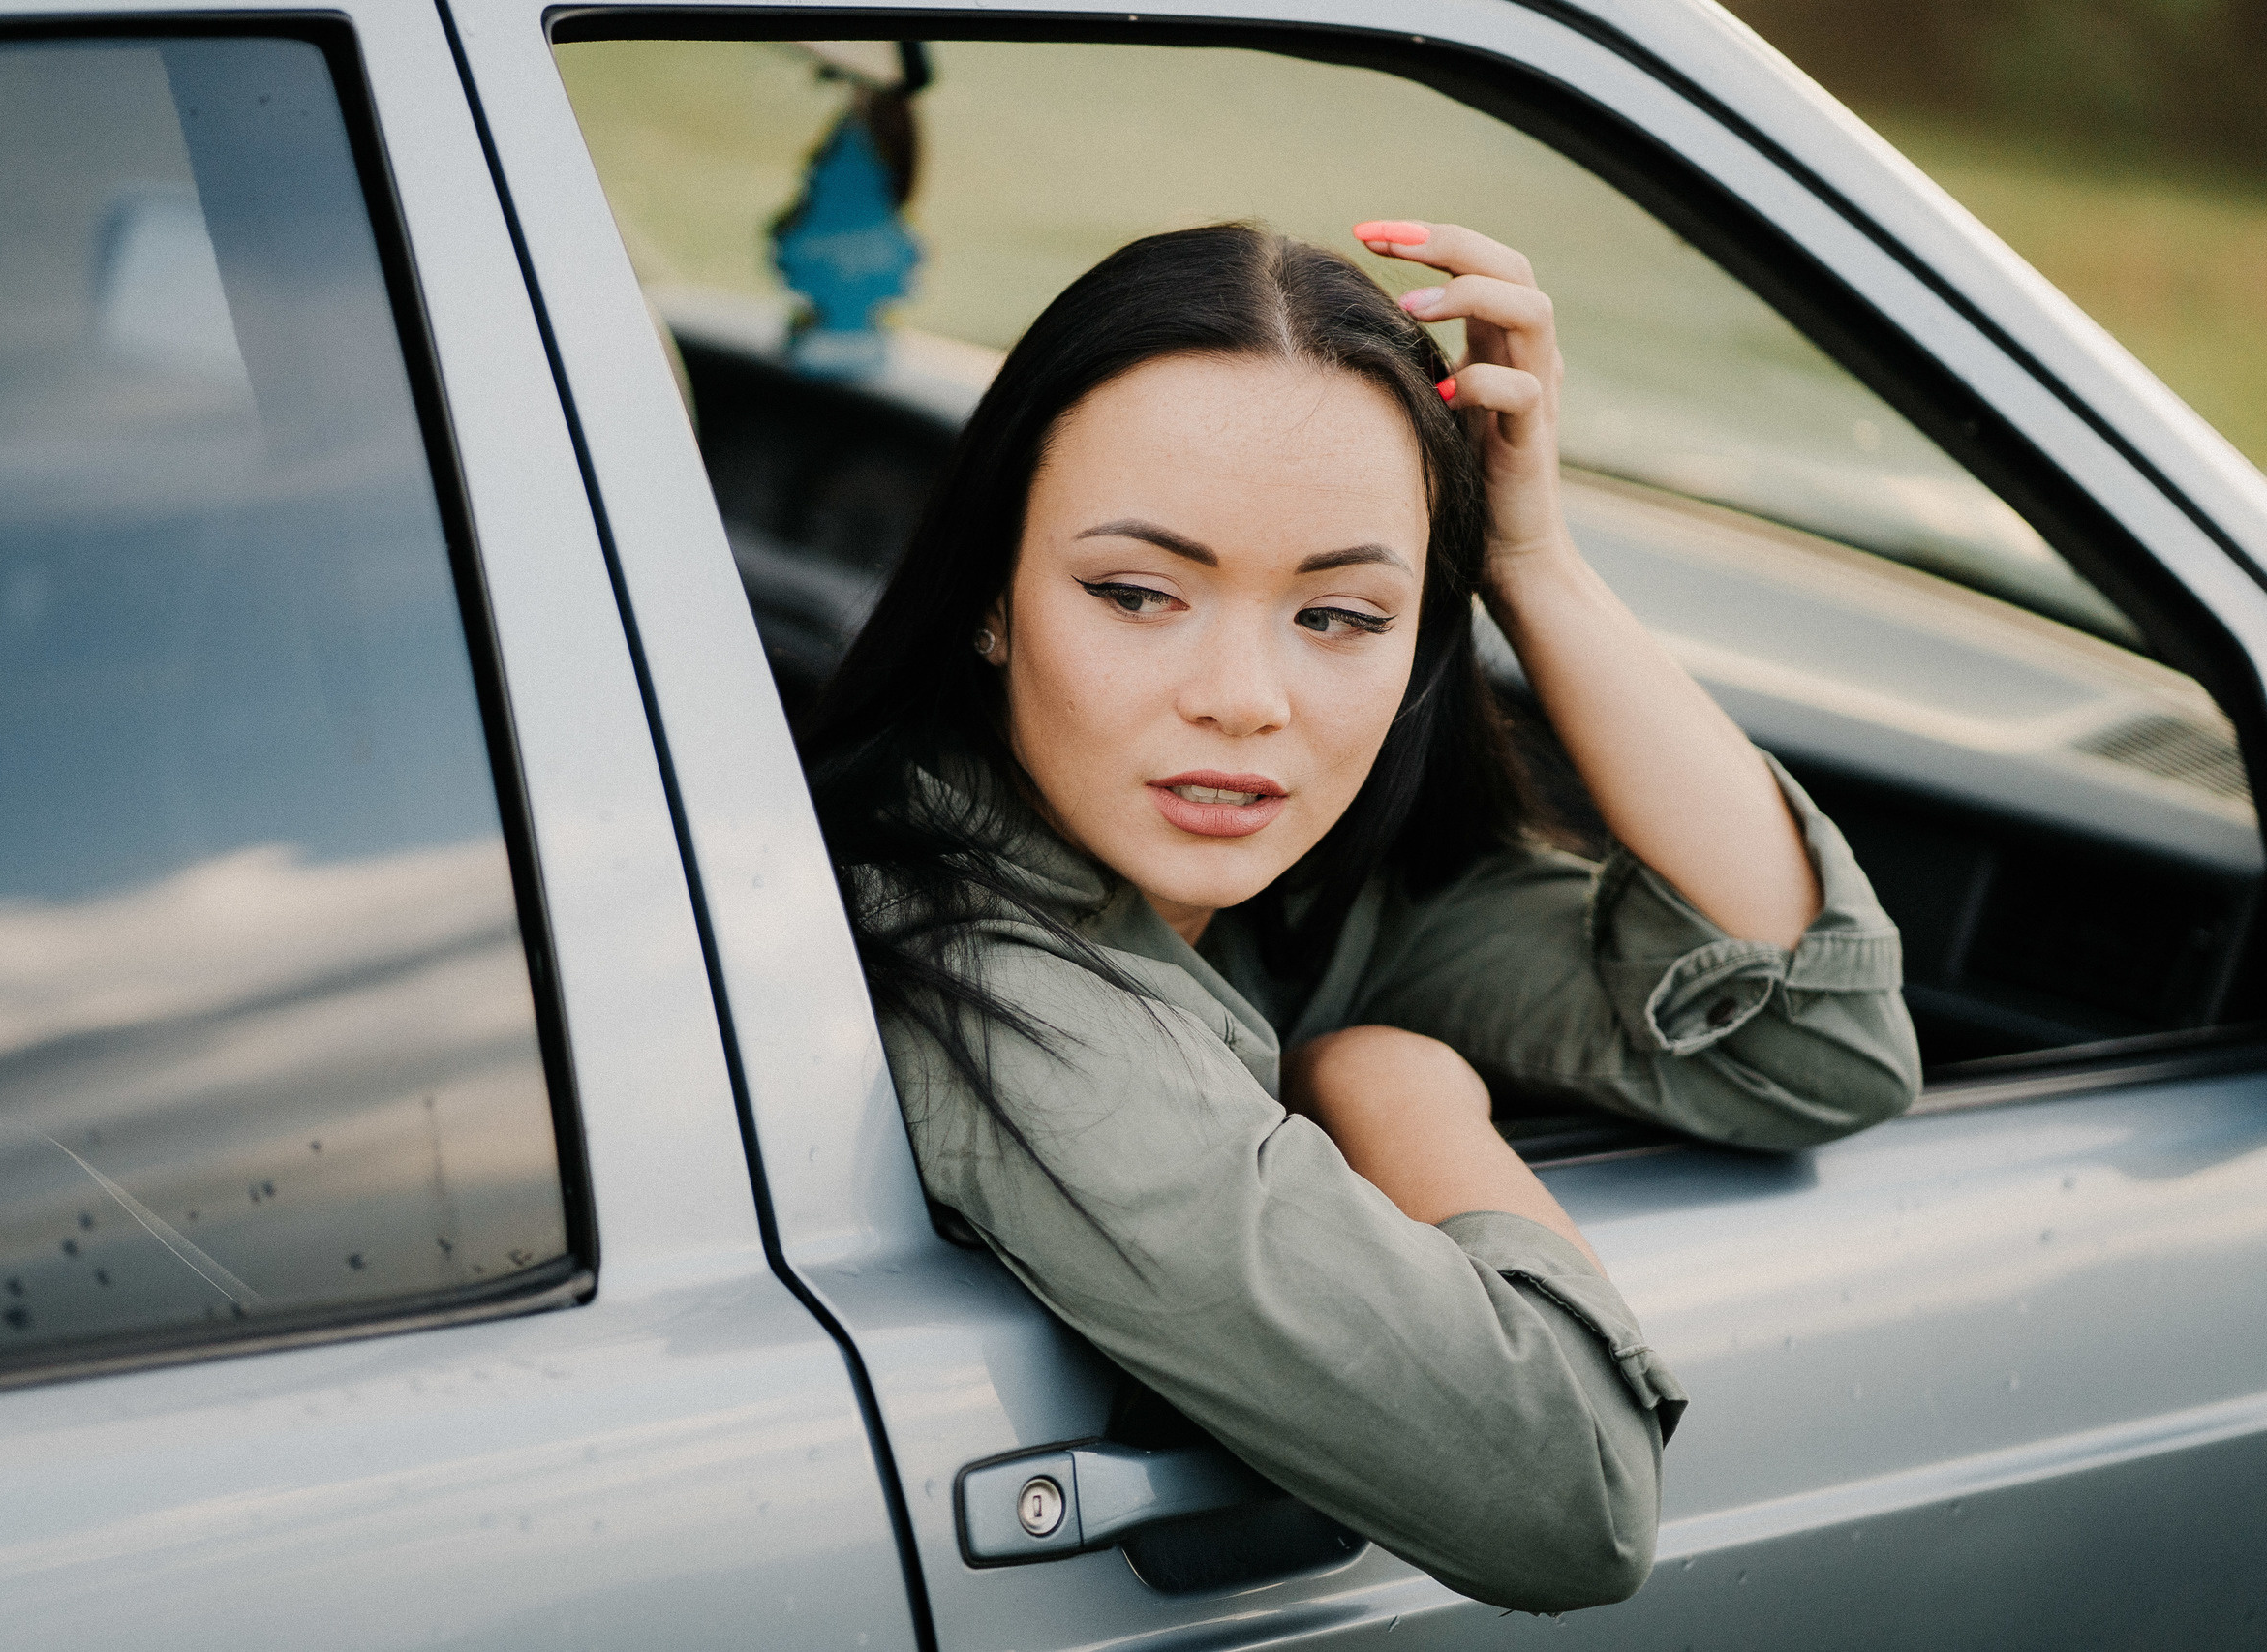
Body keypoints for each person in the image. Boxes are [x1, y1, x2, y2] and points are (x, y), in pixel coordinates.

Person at [802, 220, 1919, 1612]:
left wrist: (1537, 558)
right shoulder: (988, 989)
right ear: (989, 600)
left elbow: (1817, 1041)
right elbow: (1572, 1490)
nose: (1245, 696)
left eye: (1338, 615)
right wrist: (1404, 1102)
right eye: (1137, 593)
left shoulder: (1306, 892)